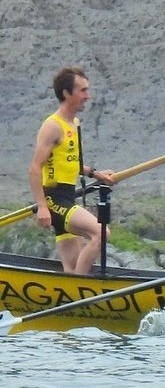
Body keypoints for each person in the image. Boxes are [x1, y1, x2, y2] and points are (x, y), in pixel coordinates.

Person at [28, 67, 117, 274]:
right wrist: (42, 207)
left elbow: (69, 162)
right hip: (54, 200)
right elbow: (34, 169)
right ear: (67, 93)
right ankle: (80, 291)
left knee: (71, 266)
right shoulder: (53, 126)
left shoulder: (74, 123)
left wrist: (96, 174)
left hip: (68, 196)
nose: (88, 96)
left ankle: (73, 300)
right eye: (83, 90)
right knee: (101, 233)